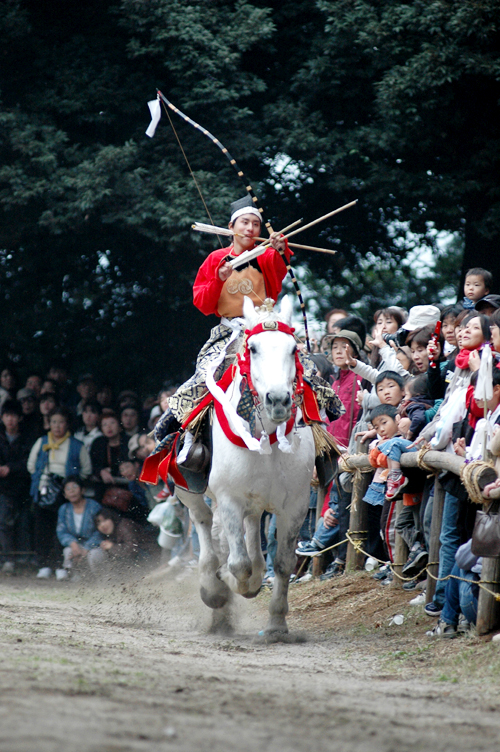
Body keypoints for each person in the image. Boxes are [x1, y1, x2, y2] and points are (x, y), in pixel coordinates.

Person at [154, 195, 339, 457]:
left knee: (304, 369)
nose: (250, 228)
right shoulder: (215, 259)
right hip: (229, 331)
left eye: (255, 224)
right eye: (244, 222)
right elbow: (203, 304)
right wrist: (218, 278)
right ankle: (182, 428)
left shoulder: (265, 256)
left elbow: (276, 277)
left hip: (263, 328)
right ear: (231, 227)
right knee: (205, 374)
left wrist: (278, 250)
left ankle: (322, 433)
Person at [27, 407, 91, 579]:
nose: (57, 426)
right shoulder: (42, 442)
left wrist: (71, 483)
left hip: (65, 492)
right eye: (53, 421)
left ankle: (59, 565)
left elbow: (86, 470)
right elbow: (31, 466)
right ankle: (43, 565)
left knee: (61, 528)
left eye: (61, 422)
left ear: (67, 424)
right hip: (44, 490)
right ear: (49, 423)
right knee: (42, 528)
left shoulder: (76, 445)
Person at [0, 400, 32, 573]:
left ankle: (24, 559)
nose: (10, 420)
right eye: (7, 416)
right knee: (4, 524)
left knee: (24, 523)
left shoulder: (27, 437)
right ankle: (7, 560)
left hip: (23, 487)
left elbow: (29, 463)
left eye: (13, 416)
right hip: (3, 488)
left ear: (19, 417)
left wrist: (10, 468)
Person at [56, 476, 105, 579]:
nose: (72, 491)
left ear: (82, 490)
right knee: (68, 551)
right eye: (68, 489)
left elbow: (100, 530)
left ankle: (101, 581)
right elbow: (61, 531)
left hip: (94, 545)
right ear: (65, 495)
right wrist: (73, 544)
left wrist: (86, 548)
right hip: (76, 545)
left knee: (95, 554)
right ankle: (75, 578)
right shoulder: (64, 509)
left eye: (75, 487)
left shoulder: (94, 506)